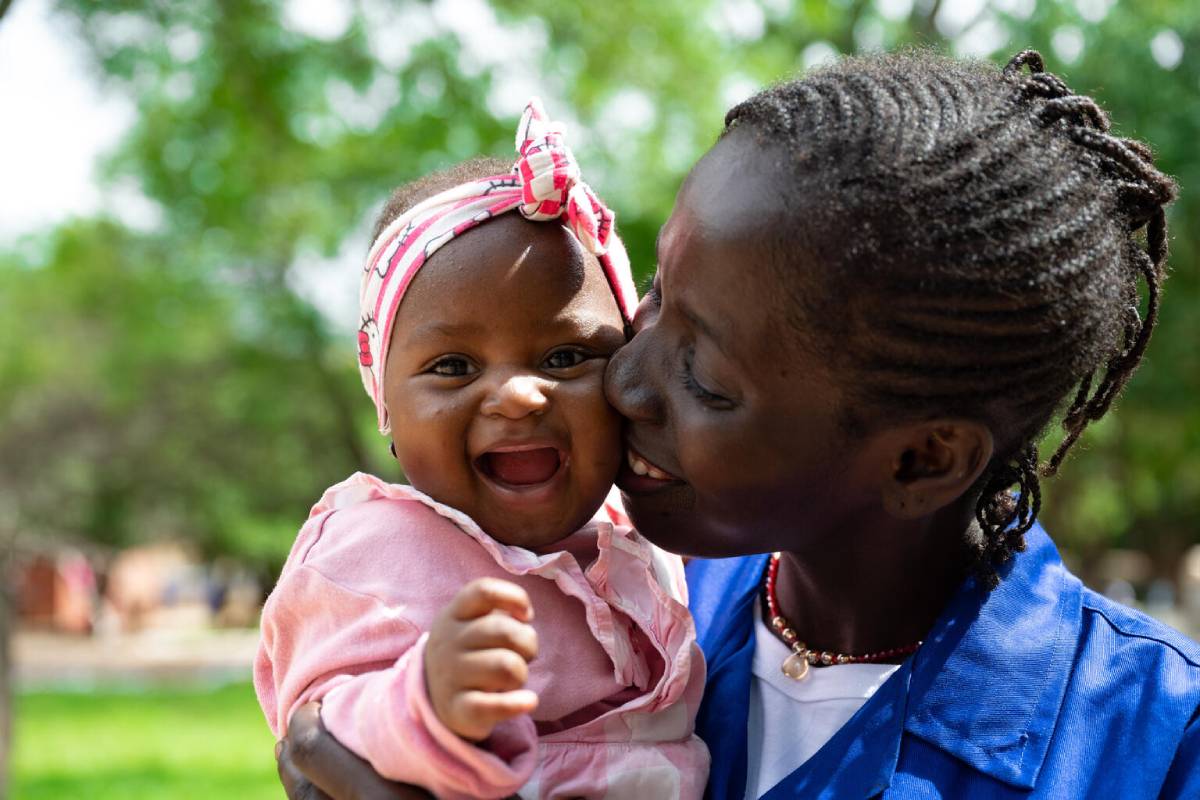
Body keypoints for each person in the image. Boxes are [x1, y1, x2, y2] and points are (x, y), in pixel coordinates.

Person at [275, 50, 1200, 798]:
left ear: (922, 458)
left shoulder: (1152, 749)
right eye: (655, 297)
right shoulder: (639, 596)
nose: (624, 380)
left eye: (706, 379)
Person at [256, 99, 709, 800]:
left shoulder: (648, 537)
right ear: (387, 405)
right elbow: (324, 721)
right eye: (454, 367)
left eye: (565, 356)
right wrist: (425, 699)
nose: (520, 396)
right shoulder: (367, 551)